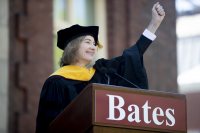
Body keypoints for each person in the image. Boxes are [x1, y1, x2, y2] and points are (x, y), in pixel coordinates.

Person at [36, 2, 165, 133]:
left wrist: (154, 24)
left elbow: (131, 57)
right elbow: (48, 126)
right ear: (73, 47)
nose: (93, 47)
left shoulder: (102, 73)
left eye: (94, 44)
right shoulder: (56, 82)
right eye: (87, 42)